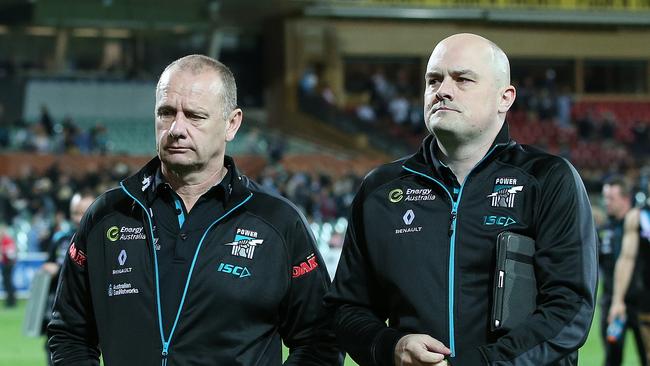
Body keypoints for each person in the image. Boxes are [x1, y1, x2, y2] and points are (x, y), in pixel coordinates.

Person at [48, 55, 343, 365]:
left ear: (232, 123)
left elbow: (321, 342)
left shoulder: (278, 223)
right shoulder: (108, 214)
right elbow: (70, 334)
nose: (177, 128)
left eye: (194, 116)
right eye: (166, 113)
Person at [325, 33, 598, 365]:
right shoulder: (380, 191)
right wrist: (391, 346)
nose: (442, 90)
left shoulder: (547, 179)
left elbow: (570, 310)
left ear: (505, 98)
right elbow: (346, 309)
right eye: (433, 80)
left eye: (463, 79)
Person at [42, 192, 95, 366]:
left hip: (92, 307)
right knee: (55, 346)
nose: (78, 218)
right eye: (75, 213)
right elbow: (48, 266)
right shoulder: (60, 239)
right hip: (62, 305)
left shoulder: (105, 240)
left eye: (83, 212)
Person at [598, 177, 647, 366]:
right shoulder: (605, 230)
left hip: (641, 303)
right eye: (605, 197)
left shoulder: (642, 226)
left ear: (625, 199)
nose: (606, 202)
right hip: (611, 303)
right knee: (612, 358)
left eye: (611, 198)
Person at [0, 223, 17, 307]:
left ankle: (11, 301)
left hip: (8, 264)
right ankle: (9, 301)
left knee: (8, 283)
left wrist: (3, 251)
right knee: (7, 283)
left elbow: (11, 253)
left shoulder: (7, 240)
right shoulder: (3, 240)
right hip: (5, 264)